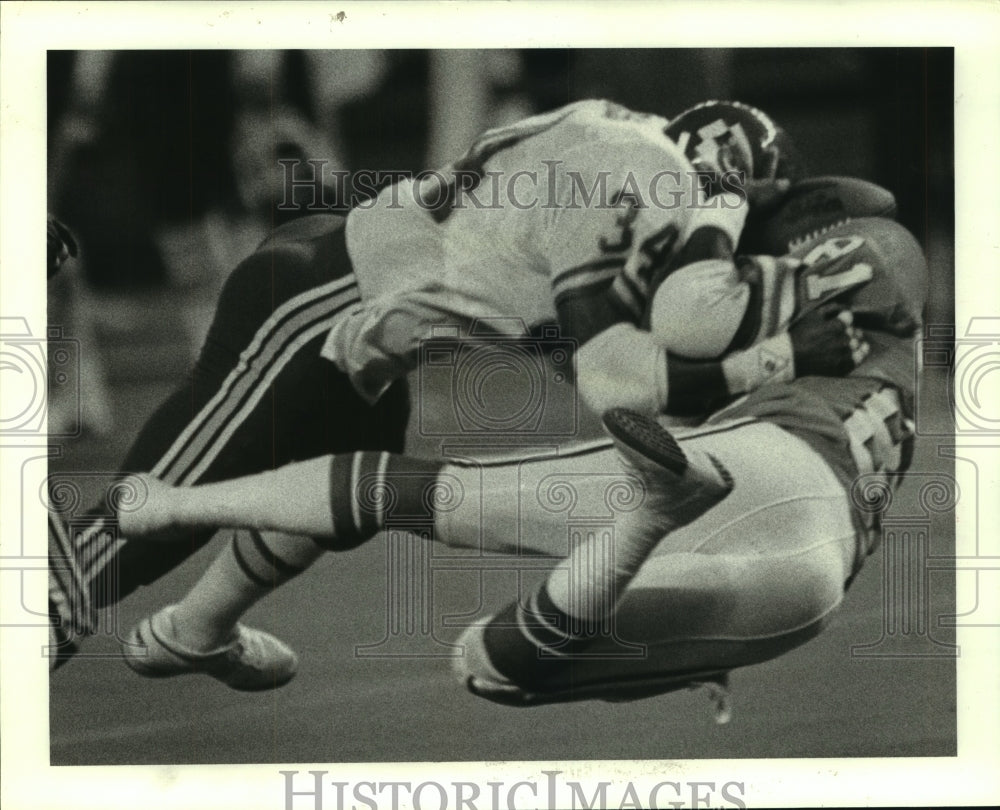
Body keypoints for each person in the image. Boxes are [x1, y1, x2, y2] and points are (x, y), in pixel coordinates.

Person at [48, 98, 846, 670]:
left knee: (336, 502)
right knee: (141, 529)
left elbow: (581, 335)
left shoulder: (628, 143)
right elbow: (610, 383)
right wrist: (772, 358)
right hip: (318, 303)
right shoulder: (647, 178)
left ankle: (194, 631)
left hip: (362, 311)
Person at [114, 215, 918, 704]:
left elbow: (659, 356)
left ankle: (173, 508)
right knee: (492, 667)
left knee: (413, 491)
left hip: (761, 461)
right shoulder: (896, 366)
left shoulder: (731, 251)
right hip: (817, 576)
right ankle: (195, 626)